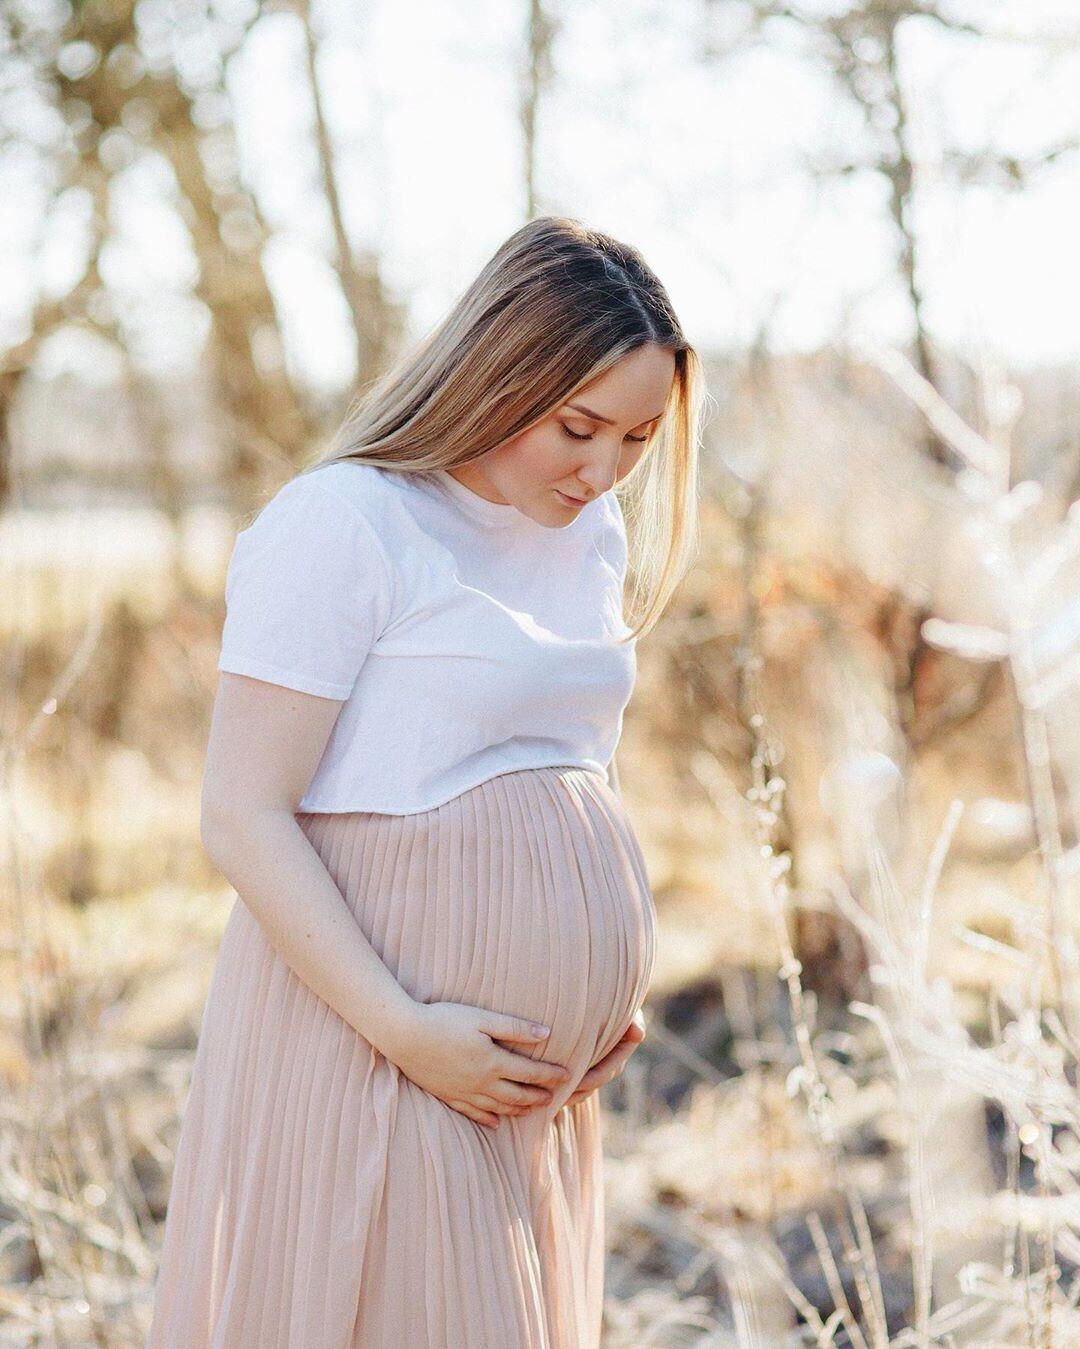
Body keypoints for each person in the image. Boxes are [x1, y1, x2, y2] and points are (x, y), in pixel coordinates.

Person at [145, 215, 704, 1348]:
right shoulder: (346, 523)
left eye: (640, 438)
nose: (604, 471)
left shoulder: (586, 536)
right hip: (379, 1035)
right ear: (500, 374)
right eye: (578, 426)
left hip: (521, 1079)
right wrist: (404, 1025)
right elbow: (240, 811)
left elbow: (562, 759)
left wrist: (602, 984)